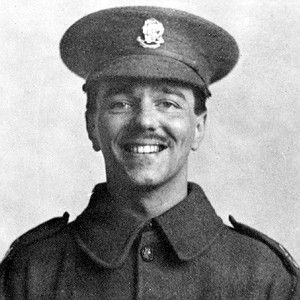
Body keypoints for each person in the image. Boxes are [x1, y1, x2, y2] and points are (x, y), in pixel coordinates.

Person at [0, 6, 299, 299]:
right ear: (92, 125)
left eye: (168, 103)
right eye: (121, 103)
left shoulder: (266, 277)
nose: (144, 121)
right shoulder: (29, 272)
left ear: (198, 127)